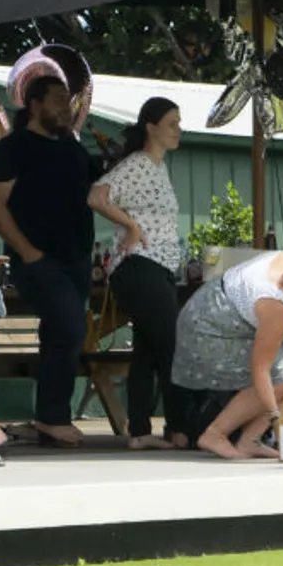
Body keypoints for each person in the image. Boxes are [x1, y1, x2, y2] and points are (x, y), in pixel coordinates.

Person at [0, 73, 100, 448]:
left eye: (68, 101)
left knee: (59, 336)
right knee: (70, 329)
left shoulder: (75, 149)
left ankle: (49, 418)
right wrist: (29, 253)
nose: (67, 109)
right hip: (36, 261)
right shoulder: (14, 148)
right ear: (34, 105)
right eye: (58, 100)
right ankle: (53, 417)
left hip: (77, 260)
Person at [174, 249, 283, 460]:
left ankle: (249, 440)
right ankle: (215, 434)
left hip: (217, 312)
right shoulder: (276, 305)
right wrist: (276, 418)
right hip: (207, 331)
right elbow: (261, 370)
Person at [88, 97, 189, 450]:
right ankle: (179, 427)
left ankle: (141, 431)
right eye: (172, 123)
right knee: (171, 345)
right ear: (151, 127)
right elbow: (97, 197)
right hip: (139, 265)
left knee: (148, 349)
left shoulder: (158, 167)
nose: (179, 129)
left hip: (157, 267)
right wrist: (130, 226)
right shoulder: (138, 164)